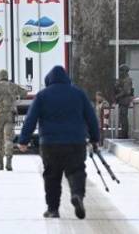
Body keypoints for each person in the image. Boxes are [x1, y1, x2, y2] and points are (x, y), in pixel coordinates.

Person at [18, 66, 100, 220]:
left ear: (48, 81)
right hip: (75, 142)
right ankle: (77, 195)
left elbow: (31, 118)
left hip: (50, 144)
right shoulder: (78, 94)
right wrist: (95, 138)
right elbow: (91, 117)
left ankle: (53, 209)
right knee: (76, 171)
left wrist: (24, 140)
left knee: (52, 176)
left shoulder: (42, 96)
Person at [113, 64, 133, 139]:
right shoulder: (122, 80)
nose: (120, 72)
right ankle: (123, 133)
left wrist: (117, 96)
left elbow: (126, 91)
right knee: (122, 117)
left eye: (121, 70)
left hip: (125, 100)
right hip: (122, 100)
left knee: (124, 117)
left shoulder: (127, 80)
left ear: (125, 71)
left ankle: (124, 134)